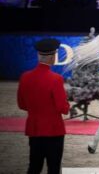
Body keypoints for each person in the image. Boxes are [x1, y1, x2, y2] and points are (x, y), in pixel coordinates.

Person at [17, 38, 70, 174]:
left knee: (34, 166)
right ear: (53, 57)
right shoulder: (56, 79)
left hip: (34, 129)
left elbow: (21, 104)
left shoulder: (25, 77)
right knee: (53, 168)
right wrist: (67, 103)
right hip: (53, 131)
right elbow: (62, 108)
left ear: (38, 55)